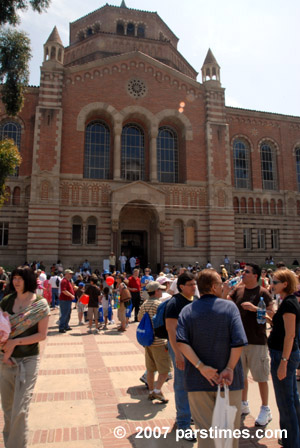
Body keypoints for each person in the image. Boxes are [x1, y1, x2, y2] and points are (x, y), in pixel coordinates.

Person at [177, 269, 247, 448]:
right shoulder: (229, 307)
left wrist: (201, 367)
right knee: (229, 432)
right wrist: (230, 368)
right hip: (229, 380)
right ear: (214, 286)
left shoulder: (187, 310)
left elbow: (182, 343)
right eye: (221, 283)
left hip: (198, 380)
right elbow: (239, 342)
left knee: (205, 433)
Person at [0, 266, 50, 448]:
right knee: (7, 409)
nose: (16, 281)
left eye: (20, 278)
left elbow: (42, 335)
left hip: (28, 360)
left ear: (28, 280)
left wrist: (15, 343)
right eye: (14, 278)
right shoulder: (6, 301)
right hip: (5, 359)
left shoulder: (40, 303)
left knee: (20, 410)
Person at [227, 262, 274, 426]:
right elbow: (226, 301)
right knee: (241, 376)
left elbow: (271, 315)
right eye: (242, 271)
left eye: (246, 272)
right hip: (239, 341)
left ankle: (265, 408)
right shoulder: (238, 290)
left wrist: (256, 309)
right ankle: (244, 403)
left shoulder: (263, 293)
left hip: (257, 340)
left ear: (256, 275)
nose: (243, 274)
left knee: (261, 377)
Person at [268, 269, 300, 448]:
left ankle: (291, 442)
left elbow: (290, 335)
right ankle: (295, 437)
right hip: (284, 354)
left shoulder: (289, 303)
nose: (272, 285)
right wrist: (267, 316)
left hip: (283, 355)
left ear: (285, 284)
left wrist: (284, 363)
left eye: (275, 282)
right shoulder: (288, 301)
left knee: (285, 401)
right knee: (292, 398)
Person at [165, 271, 199, 441]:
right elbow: (171, 331)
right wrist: (177, 354)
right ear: (181, 287)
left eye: (195, 284)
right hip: (179, 348)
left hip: (193, 348)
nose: (194, 287)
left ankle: (187, 414)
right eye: (191, 285)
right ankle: (183, 423)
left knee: (191, 382)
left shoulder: (195, 301)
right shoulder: (174, 303)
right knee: (181, 384)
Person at [138, 281, 172, 403]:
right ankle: (157, 391)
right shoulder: (159, 305)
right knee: (165, 370)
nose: (162, 292)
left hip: (148, 341)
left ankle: (151, 391)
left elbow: (139, 318)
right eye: (160, 290)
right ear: (156, 291)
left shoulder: (145, 304)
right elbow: (165, 322)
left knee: (151, 369)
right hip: (159, 341)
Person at [58, 269, 75, 333]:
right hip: (64, 300)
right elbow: (64, 290)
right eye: (70, 274)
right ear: (66, 274)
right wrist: (71, 295)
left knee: (68, 313)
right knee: (64, 314)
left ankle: (66, 325)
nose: (71, 275)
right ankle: (61, 327)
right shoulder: (64, 281)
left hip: (68, 300)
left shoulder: (68, 281)